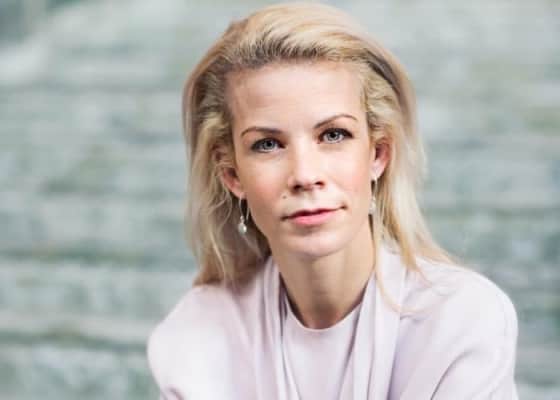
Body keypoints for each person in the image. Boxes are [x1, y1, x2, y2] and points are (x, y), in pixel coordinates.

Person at [146, 3, 519, 399]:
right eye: (268, 144)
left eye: (333, 135)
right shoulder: (197, 335)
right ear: (232, 175)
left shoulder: (460, 321)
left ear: (378, 153)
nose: (305, 175)